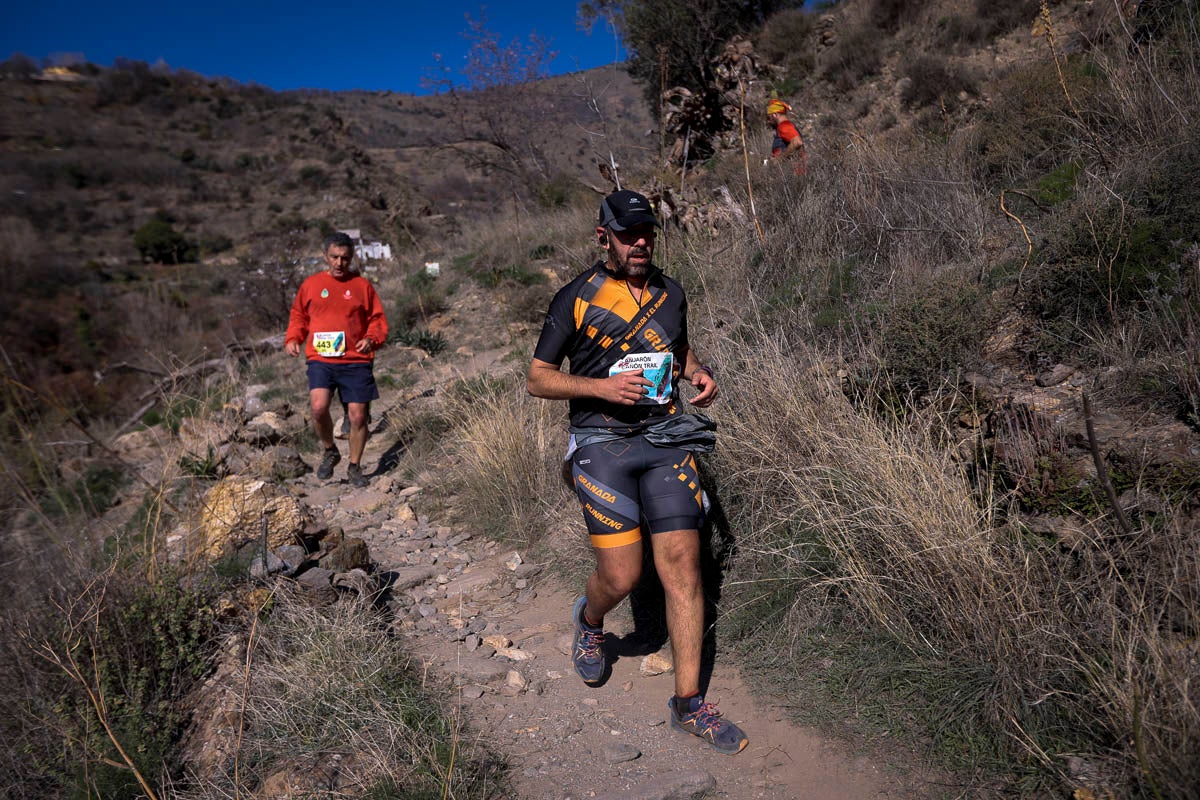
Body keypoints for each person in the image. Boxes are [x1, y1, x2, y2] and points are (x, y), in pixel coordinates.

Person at [526, 190, 748, 754]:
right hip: (602, 443)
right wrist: (600, 387)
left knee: (684, 568)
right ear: (604, 237)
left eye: (647, 231)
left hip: (664, 437)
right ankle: (592, 620)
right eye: (629, 234)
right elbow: (538, 378)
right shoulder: (576, 297)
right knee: (623, 576)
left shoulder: (672, 292)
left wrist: (700, 376)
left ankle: (689, 704)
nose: (641, 242)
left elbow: (679, 351)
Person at [285, 232, 388, 488]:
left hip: (355, 359)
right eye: (334, 257)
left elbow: (377, 319)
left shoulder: (363, 287)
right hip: (322, 358)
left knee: (357, 416)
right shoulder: (311, 285)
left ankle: (354, 466)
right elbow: (299, 315)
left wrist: (371, 338)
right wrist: (293, 337)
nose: (339, 263)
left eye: (345, 258)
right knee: (318, 407)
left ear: (351, 257)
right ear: (325, 256)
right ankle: (330, 450)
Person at [767, 98, 807, 176]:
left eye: (769, 117)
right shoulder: (786, 126)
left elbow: (797, 142)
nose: (768, 121)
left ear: (775, 115)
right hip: (792, 177)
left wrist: (778, 159)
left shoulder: (784, 126)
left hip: (792, 177)